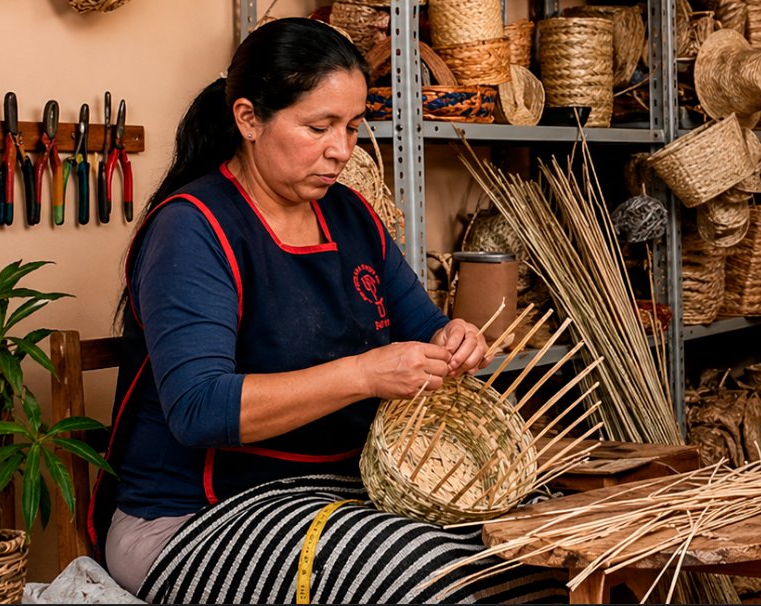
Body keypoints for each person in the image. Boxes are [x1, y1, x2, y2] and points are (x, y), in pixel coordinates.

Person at [95, 18, 565, 604]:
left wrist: (455, 337)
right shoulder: (193, 229)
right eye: (319, 127)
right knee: (427, 573)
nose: (342, 150)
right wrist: (366, 374)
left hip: (336, 492)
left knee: (537, 536)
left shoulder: (351, 216)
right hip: (190, 519)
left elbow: (423, 329)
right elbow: (199, 409)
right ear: (248, 119)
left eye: (351, 126)